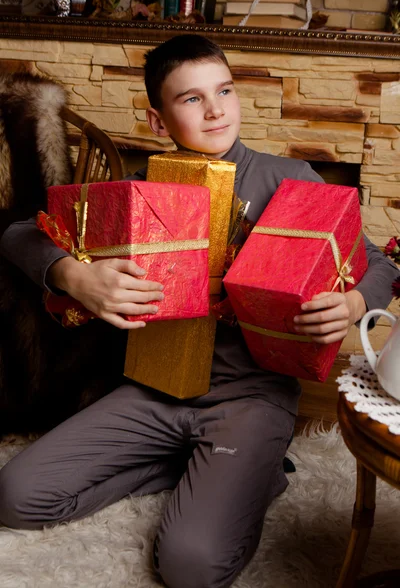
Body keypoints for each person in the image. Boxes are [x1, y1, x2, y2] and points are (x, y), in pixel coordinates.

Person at [0, 35, 398, 588]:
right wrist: (75, 274)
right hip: (152, 390)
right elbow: (19, 233)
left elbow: (379, 262)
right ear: (158, 121)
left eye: (225, 91)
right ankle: (190, 468)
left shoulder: (291, 179)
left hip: (251, 397)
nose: (216, 110)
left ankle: (253, 471)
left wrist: (355, 301)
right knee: (16, 496)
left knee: (190, 567)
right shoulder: (140, 189)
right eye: (191, 99)